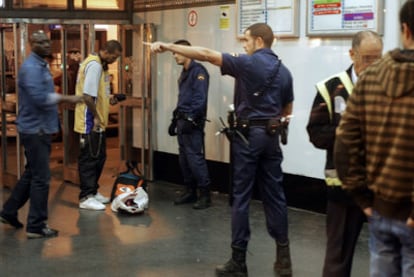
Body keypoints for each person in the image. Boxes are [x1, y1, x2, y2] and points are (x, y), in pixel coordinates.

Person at [150, 22, 294, 277]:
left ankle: (238, 262)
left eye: (247, 41)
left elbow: (206, 55)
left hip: (248, 138)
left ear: (259, 41)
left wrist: (166, 45)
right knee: (276, 196)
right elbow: (287, 111)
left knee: (241, 198)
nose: (245, 46)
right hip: (272, 138)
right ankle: (283, 258)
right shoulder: (284, 72)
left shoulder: (248, 63)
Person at [334, 1, 414, 276]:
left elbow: (344, 143)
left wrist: (363, 199)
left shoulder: (369, 80)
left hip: (379, 210)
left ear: (405, 29)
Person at [306, 31, 383, 277]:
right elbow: (316, 133)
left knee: (388, 258)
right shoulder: (330, 89)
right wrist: (349, 131)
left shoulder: (390, 87)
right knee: (338, 259)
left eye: (377, 58)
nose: (373, 65)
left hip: (382, 190)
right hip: (343, 188)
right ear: (352, 54)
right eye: (367, 58)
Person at [0, 30, 83, 239]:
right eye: (41, 42)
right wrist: (70, 98)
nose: (47, 45)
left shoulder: (40, 65)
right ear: (31, 44)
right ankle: (36, 225)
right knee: (42, 178)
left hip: (41, 128)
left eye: (47, 41)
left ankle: (9, 211)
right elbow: (41, 98)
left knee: (32, 173)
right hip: (35, 130)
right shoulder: (30, 68)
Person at [74, 40, 122, 210]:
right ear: (105, 51)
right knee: (89, 158)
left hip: (97, 120)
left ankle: (92, 191)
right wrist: (95, 117)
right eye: (114, 57)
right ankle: (86, 196)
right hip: (89, 121)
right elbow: (88, 96)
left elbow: (99, 94)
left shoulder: (100, 66)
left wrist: (112, 99)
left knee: (99, 157)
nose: (114, 61)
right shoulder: (94, 66)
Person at [168, 39, 212, 210]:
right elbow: (183, 98)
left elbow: (199, 100)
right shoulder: (184, 72)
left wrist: (191, 119)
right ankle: (190, 190)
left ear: (187, 52)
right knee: (184, 158)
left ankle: (205, 194)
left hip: (192, 123)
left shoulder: (199, 72)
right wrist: (175, 119)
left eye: (176, 52)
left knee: (195, 158)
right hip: (182, 120)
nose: (174, 56)